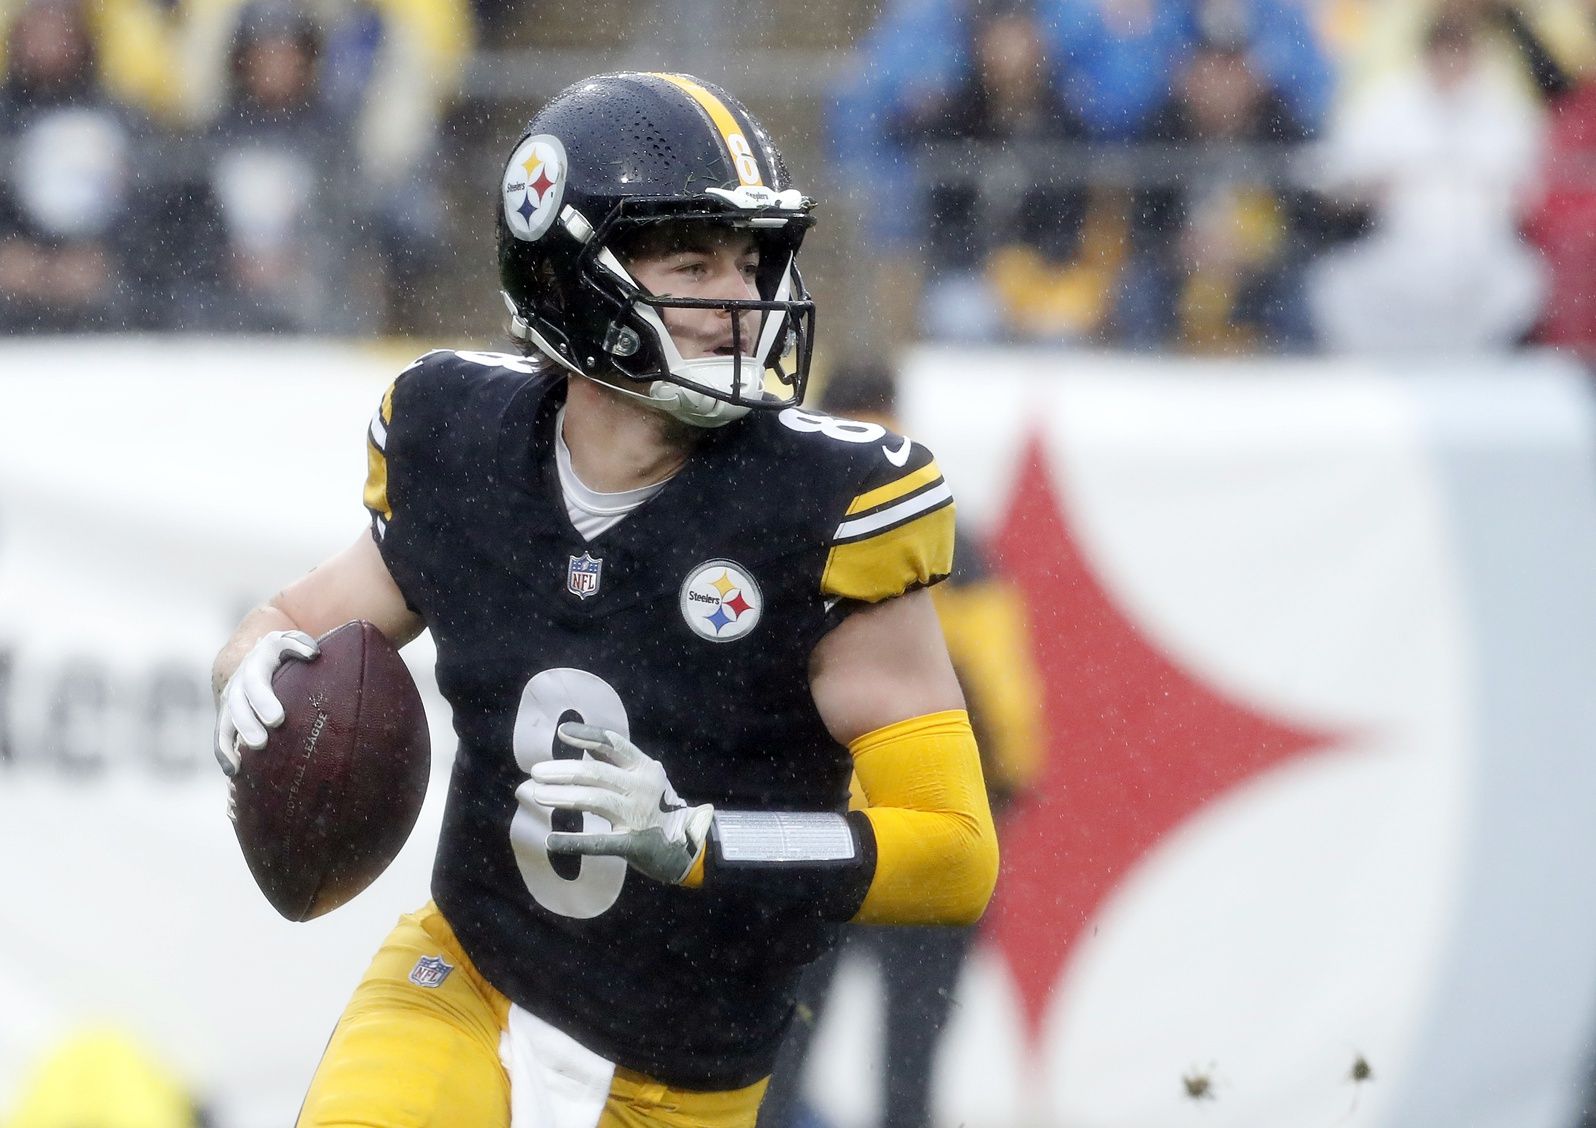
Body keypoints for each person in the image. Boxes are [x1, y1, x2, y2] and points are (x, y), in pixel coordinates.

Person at [209, 72, 1000, 1128]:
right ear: (574, 279)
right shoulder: (464, 441)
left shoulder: (825, 506)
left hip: (679, 1075)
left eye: (754, 263)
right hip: (470, 979)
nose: (745, 301)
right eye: (696, 263)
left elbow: (954, 851)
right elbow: (293, 626)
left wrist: (697, 841)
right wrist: (248, 667)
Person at [754, 361, 1043, 1128]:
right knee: (912, 1056)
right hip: (925, 822)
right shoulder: (944, 528)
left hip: (812, 828)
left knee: (781, 1051)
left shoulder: (779, 517)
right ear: (893, 410)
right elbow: (999, 679)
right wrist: (1007, 782)